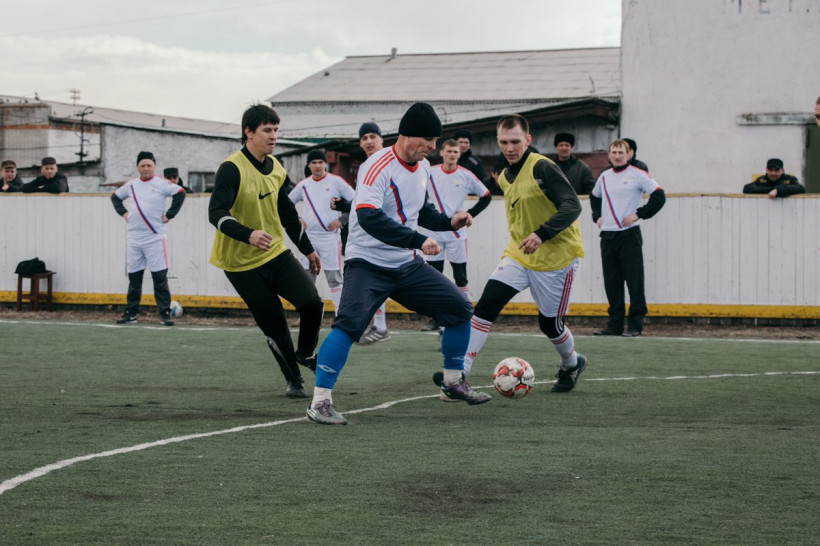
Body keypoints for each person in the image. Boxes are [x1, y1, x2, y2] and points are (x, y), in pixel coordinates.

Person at [306, 102, 491, 426]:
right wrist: (417, 240)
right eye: (429, 140)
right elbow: (368, 217)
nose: (433, 146)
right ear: (408, 135)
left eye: (436, 140)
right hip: (367, 263)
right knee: (348, 325)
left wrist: (449, 221)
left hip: (406, 265)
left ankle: (452, 383)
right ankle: (319, 402)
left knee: (460, 310)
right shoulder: (377, 165)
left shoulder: (423, 168)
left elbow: (421, 211)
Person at [457, 114, 588, 395]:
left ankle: (572, 363)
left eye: (515, 141)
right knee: (486, 306)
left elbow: (572, 205)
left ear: (528, 140)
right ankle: (460, 373)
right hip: (518, 255)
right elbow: (488, 194)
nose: (510, 148)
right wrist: (470, 213)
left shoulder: (543, 168)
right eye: (504, 142)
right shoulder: (505, 174)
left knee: (550, 325)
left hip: (556, 259)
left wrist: (542, 233)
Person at [208, 104, 324, 399]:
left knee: (312, 302)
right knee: (274, 324)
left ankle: (306, 352)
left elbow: (288, 215)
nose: (273, 136)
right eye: (267, 130)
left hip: (275, 253)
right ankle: (294, 380)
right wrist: (247, 234)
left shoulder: (277, 168)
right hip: (239, 265)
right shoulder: (231, 168)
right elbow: (216, 212)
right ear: (248, 132)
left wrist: (308, 250)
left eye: (276, 130)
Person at [590, 139, 666, 337]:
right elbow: (594, 196)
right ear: (609, 155)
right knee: (612, 283)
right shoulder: (604, 176)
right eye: (614, 152)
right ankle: (614, 325)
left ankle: (635, 325)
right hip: (608, 235)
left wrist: (639, 214)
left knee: (634, 281)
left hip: (629, 235)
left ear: (628, 154)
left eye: (621, 152)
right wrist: (597, 216)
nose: (617, 156)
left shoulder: (637, 174)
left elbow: (659, 196)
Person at [419, 138, 492, 332]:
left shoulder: (466, 175)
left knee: (460, 276)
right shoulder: (429, 172)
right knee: (434, 277)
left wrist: (469, 214)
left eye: (455, 152)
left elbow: (486, 196)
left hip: (456, 234)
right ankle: (436, 318)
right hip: (433, 232)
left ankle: (466, 316)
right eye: (449, 151)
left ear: (459, 155)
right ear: (442, 153)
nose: (452, 155)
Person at [331, 121, 393, 345]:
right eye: (364, 138)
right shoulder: (366, 166)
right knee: (375, 282)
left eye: (372, 136)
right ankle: (379, 326)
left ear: (381, 139)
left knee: (382, 282)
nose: (368, 141)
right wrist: (345, 206)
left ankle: (447, 323)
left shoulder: (389, 163)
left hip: (386, 233)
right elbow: (365, 203)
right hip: (367, 236)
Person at [111, 151, 186, 326]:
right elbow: (115, 197)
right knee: (134, 277)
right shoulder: (131, 184)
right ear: (138, 167)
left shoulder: (161, 183)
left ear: (154, 167)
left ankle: (164, 313)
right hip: (134, 237)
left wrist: (170, 215)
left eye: (149, 165)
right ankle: (130, 313)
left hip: (154, 238)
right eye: (142, 165)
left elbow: (180, 193)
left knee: (159, 277)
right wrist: (124, 213)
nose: (146, 169)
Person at [289, 149, 355, 315]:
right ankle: (308, 315)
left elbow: (356, 201)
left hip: (330, 238)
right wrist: (297, 218)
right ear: (308, 165)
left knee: (334, 279)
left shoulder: (336, 181)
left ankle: (340, 316)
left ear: (325, 163)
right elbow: (286, 204)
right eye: (314, 163)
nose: (317, 166)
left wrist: (342, 220)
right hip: (309, 239)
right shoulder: (304, 185)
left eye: (320, 162)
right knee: (307, 279)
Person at [455, 128, 501, 195]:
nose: (463, 145)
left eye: (466, 142)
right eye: (461, 142)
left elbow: (482, 182)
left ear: (469, 145)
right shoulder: (450, 160)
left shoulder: (475, 163)